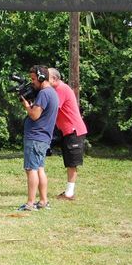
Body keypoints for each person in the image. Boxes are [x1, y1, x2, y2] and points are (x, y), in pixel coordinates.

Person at [17, 65, 59, 211]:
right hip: (42, 138)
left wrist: (26, 105)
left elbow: (35, 115)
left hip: (35, 137)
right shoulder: (51, 93)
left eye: (34, 79)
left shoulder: (44, 94)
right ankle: (43, 201)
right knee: (39, 168)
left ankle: (30, 203)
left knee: (31, 169)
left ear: (41, 77)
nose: (32, 82)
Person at [48, 68, 88, 201]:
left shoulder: (61, 89)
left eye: (46, 77)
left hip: (73, 130)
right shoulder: (56, 89)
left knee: (72, 162)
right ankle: (68, 192)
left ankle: (69, 194)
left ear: (55, 79)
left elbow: (53, 108)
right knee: (69, 161)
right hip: (67, 130)